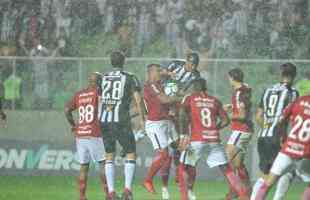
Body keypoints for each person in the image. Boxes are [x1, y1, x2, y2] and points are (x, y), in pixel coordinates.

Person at [178, 78, 250, 200]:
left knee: (182, 167)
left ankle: (184, 198)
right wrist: (214, 129)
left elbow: (182, 113)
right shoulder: (214, 100)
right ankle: (243, 195)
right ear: (205, 87)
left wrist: (183, 135)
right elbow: (226, 120)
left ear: (194, 88)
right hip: (214, 140)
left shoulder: (190, 97)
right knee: (226, 169)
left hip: (196, 141)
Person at [99, 51, 145, 200]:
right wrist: (142, 120)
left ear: (111, 62)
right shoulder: (130, 78)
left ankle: (111, 193)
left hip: (105, 120)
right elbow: (138, 100)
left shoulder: (103, 77)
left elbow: (100, 100)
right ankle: (127, 191)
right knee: (131, 152)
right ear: (123, 62)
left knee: (109, 156)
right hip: (121, 120)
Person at [251, 63, 299, 200]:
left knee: (266, 174)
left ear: (281, 74)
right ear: (294, 75)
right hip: (277, 137)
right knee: (289, 171)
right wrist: (282, 135)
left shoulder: (268, 90)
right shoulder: (292, 93)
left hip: (263, 136)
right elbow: (288, 117)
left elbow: (258, 116)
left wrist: (266, 127)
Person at [252, 93, 310, 200]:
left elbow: (281, 120)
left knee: (268, 182)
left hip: (288, 149)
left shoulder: (299, 101)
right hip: (306, 154)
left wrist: (282, 136)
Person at [160, 52, 201, 189]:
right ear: (186, 61)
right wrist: (169, 74)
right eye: (190, 63)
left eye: (195, 65)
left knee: (179, 143)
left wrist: (178, 92)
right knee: (171, 144)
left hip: (178, 107)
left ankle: (179, 173)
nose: (192, 67)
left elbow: (191, 94)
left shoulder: (196, 76)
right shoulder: (176, 63)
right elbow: (160, 72)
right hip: (163, 100)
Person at [64, 72, 107, 200]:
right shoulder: (98, 93)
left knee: (83, 166)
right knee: (103, 164)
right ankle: (108, 195)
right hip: (94, 133)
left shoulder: (79, 94)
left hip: (81, 135)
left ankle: (82, 197)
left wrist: (73, 125)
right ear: (99, 82)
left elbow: (66, 110)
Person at [143, 64, 181, 200]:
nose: (161, 73)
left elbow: (164, 73)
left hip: (167, 121)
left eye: (161, 70)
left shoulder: (159, 83)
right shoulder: (151, 85)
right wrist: (179, 98)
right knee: (164, 154)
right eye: (158, 71)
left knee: (181, 146)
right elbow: (164, 99)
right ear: (151, 73)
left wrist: (169, 74)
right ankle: (148, 180)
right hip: (156, 124)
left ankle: (179, 174)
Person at [225, 68, 253, 200]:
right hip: (244, 130)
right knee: (238, 164)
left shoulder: (239, 93)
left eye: (229, 77)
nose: (228, 80)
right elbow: (244, 104)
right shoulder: (245, 89)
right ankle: (248, 191)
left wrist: (227, 114)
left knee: (225, 160)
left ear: (232, 78)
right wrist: (232, 106)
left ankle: (235, 191)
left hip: (241, 129)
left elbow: (242, 116)